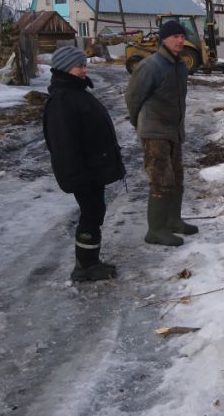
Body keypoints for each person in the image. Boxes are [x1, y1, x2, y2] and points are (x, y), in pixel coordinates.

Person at [42, 46, 126, 281]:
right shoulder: (62, 100)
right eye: (79, 66)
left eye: (84, 65)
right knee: (91, 214)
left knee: (95, 212)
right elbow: (63, 146)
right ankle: (86, 266)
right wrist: (77, 178)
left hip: (92, 170)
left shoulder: (75, 92)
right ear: (64, 67)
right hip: (84, 174)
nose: (84, 70)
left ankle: (89, 262)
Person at [125, 19, 199, 247]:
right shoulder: (151, 66)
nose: (180, 40)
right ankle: (155, 230)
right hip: (154, 130)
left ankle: (173, 220)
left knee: (176, 176)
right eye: (175, 37)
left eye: (181, 36)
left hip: (174, 130)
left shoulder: (179, 66)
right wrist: (141, 124)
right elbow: (132, 97)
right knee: (161, 178)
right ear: (163, 39)